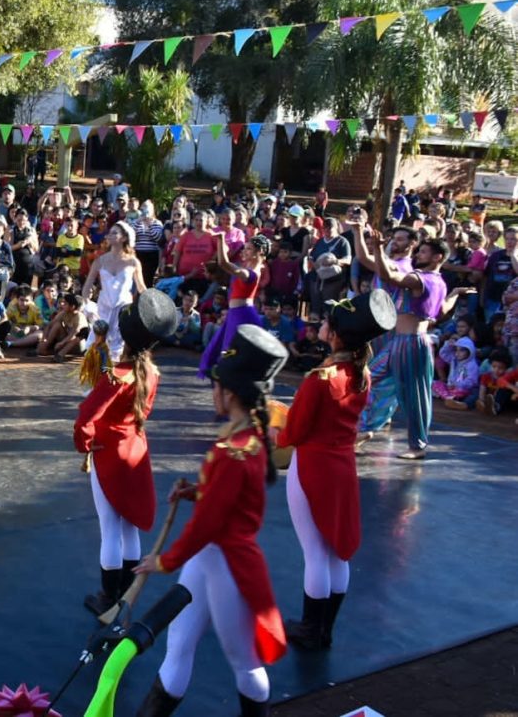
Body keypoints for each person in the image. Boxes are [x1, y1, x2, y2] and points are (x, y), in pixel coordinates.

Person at [133, 325, 289, 717]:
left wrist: (164, 561)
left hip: (226, 564)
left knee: (243, 661)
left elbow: (208, 525)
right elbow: (224, 503)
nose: (213, 391)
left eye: (217, 385)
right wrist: (196, 492)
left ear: (231, 392)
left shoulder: (234, 451)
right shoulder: (243, 440)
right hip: (209, 560)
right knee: (179, 644)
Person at [278, 291, 396, 651]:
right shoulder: (360, 374)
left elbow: (294, 432)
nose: (322, 324)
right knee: (336, 552)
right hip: (342, 467)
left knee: (315, 553)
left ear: (335, 335)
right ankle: (324, 629)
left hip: (312, 466)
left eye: (327, 321)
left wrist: (272, 429)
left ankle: (311, 629)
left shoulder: (321, 378)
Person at [73, 290, 176, 617]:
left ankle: (108, 598)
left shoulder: (117, 376)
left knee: (110, 529)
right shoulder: (152, 372)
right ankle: (127, 595)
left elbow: (86, 415)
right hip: (136, 451)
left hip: (111, 455)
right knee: (129, 527)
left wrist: (86, 443)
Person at [352, 228, 468, 460]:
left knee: (415, 397)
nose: (419, 255)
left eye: (424, 252)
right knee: (367, 379)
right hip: (399, 343)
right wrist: (455, 293)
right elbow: (444, 310)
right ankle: (365, 429)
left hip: (412, 344)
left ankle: (418, 446)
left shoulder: (420, 279)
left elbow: (389, 277)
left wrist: (376, 247)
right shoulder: (441, 283)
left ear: (437, 257)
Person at [199, 233, 271, 415]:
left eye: (248, 249)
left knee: (228, 357)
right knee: (220, 354)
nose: (244, 251)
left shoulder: (249, 273)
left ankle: (232, 402)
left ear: (259, 252)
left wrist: (221, 240)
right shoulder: (250, 269)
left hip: (241, 317)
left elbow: (223, 264)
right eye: (245, 248)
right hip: (236, 315)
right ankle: (228, 400)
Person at [82, 222, 146, 357]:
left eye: (114, 233)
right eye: (109, 232)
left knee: (118, 351)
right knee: (96, 350)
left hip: (123, 309)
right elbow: (87, 285)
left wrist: (150, 305)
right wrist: (87, 305)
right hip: (103, 308)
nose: (109, 235)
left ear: (124, 238)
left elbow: (141, 287)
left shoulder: (133, 262)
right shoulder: (100, 260)